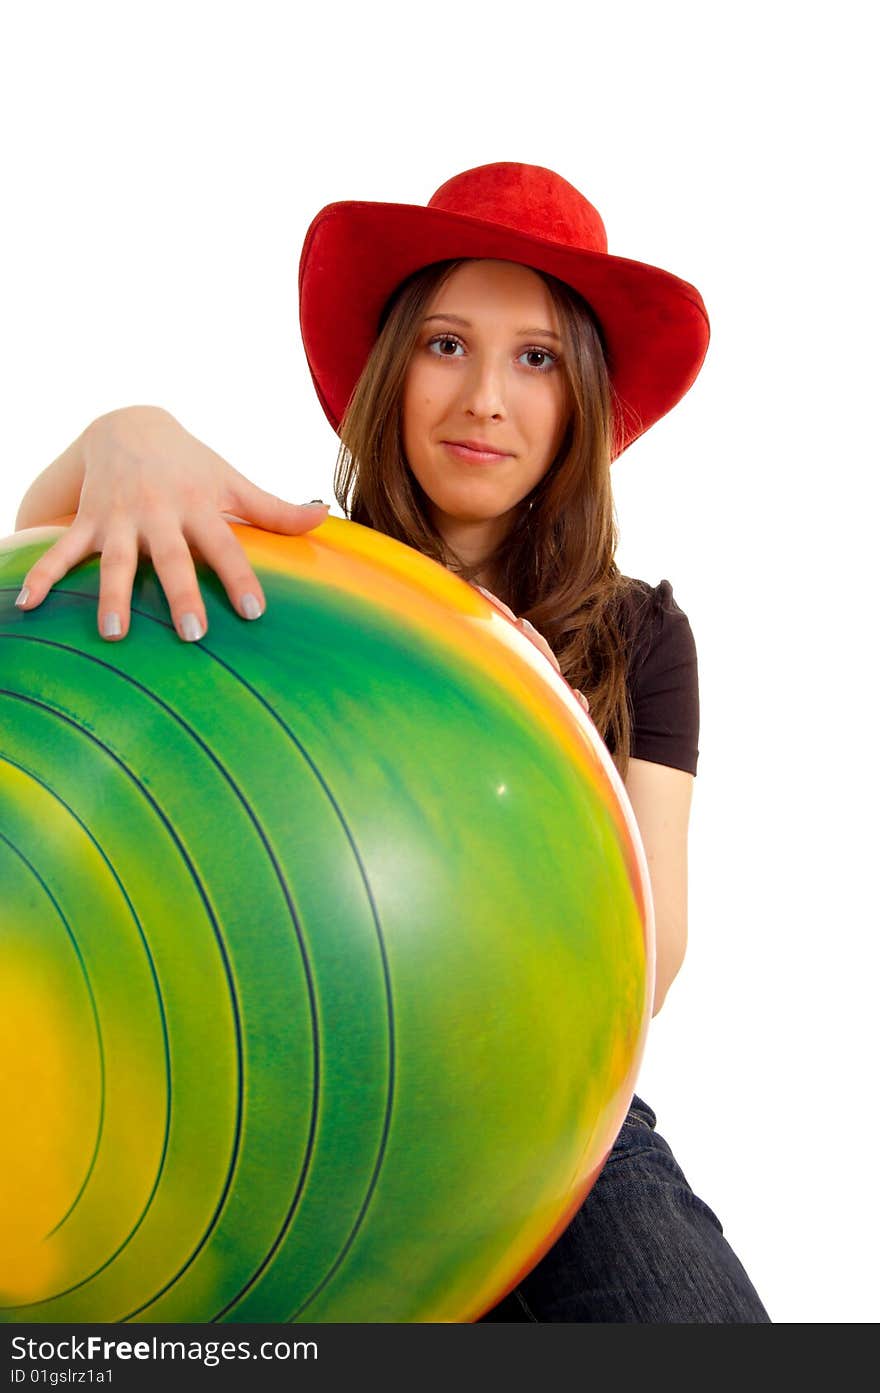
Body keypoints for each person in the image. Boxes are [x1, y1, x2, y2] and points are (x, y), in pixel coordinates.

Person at [13, 160, 770, 1323]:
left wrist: (533, 722)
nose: (484, 399)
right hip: (269, 1097)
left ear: (580, 404)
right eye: (445, 344)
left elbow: (650, 963)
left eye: (537, 359)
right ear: (388, 368)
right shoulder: (287, 580)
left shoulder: (639, 632)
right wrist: (125, 434)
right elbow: (60, 580)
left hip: (553, 1116)